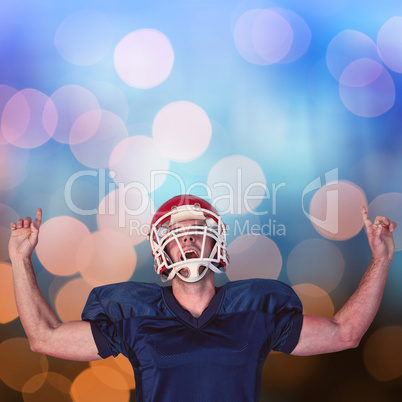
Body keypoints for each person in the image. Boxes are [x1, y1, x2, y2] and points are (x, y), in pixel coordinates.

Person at [8, 194, 397, 401]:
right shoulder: (133, 315)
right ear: (163, 249)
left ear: (216, 241)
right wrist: (19, 259)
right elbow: (44, 336)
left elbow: (346, 333)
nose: (189, 238)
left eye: (197, 230)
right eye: (179, 233)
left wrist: (381, 259)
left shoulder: (256, 310)